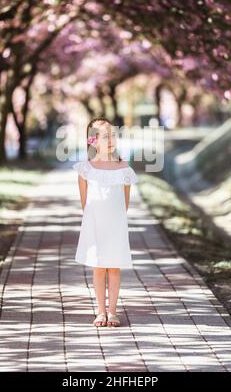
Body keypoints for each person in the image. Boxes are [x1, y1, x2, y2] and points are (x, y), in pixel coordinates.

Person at [73, 117, 139, 327]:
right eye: (105, 136)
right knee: (99, 268)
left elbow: (125, 202)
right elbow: (86, 203)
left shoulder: (123, 168)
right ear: (93, 141)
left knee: (114, 267)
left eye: (113, 135)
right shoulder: (86, 169)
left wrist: (115, 221)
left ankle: (113, 311)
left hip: (116, 225)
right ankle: (100, 311)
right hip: (96, 226)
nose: (111, 139)